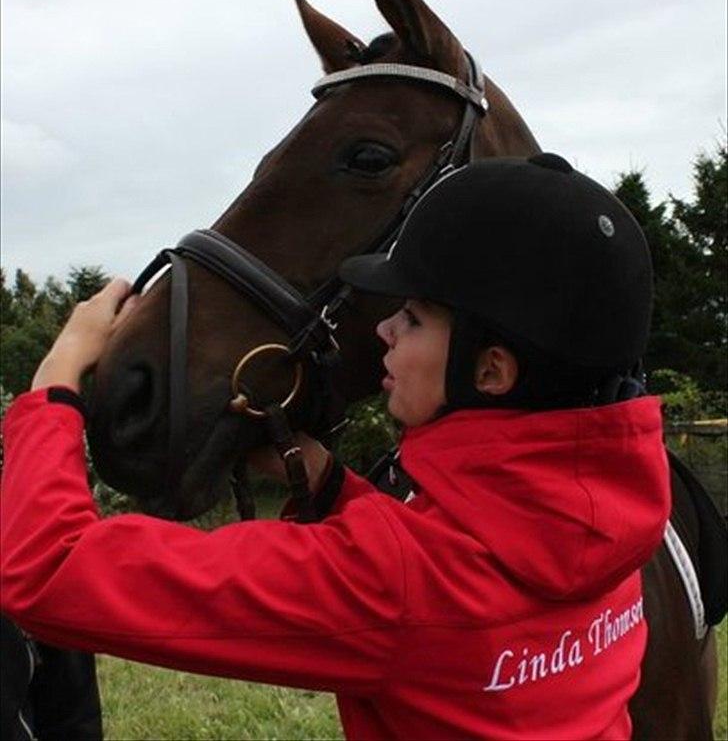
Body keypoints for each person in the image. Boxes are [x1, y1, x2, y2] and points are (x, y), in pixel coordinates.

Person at [1, 154, 670, 740]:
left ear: (490, 371)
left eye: (411, 318)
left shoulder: (393, 585)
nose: (384, 330)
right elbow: (476, 583)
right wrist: (330, 487)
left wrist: (54, 386)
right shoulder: (617, 524)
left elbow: (48, 567)